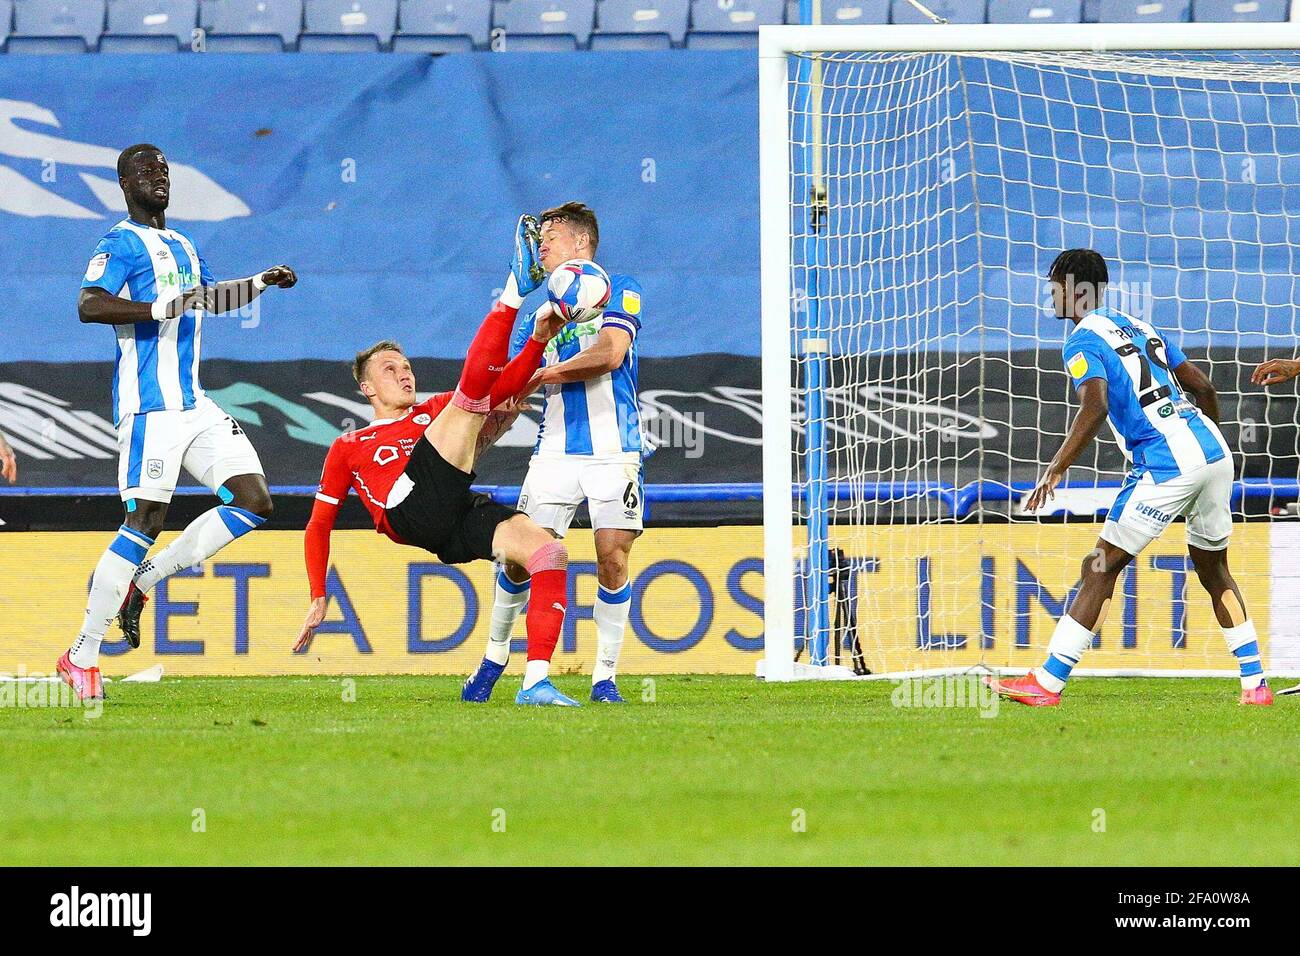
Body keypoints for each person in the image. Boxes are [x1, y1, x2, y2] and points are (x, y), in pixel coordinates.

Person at [297, 218, 583, 706]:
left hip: (449, 515)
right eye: (389, 370)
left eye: (406, 367)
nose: (403, 375)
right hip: (406, 509)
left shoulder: (434, 413)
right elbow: (318, 524)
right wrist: (318, 593)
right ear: (366, 388)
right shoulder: (352, 445)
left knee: (548, 553)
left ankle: (534, 682)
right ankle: (514, 289)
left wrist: (538, 341)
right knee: (469, 401)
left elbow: (501, 388)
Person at [57, 143, 296, 702]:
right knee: (144, 520)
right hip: (151, 406)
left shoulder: (183, 242)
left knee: (255, 500)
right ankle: (81, 653)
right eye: (145, 169)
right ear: (123, 182)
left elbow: (207, 300)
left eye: (163, 168)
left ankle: (145, 582)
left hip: (194, 402)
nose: (157, 176)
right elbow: (89, 304)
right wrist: (153, 310)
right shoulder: (118, 242)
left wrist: (261, 282)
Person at [989, 248, 1271, 707]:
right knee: (1214, 567)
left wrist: (1056, 467)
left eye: (1054, 284)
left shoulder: (1082, 340)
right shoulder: (1139, 325)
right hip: (1213, 449)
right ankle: (1255, 684)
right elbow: (1202, 386)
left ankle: (1047, 682)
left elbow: (1095, 405)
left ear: (1074, 287)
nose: (1050, 293)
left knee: (1099, 565)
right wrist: (1213, 449)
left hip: (1165, 461)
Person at [464, 203, 645, 704]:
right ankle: (494, 657)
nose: (540, 247)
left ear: (581, 243)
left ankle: (604, 678)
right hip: (555, 454)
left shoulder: (619, 288)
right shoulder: (539, 314)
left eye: (551, 238)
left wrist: (545, 373)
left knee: (611, 558)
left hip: (616, 449)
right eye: (539, 239)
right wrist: (473, 439)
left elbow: (611, 354)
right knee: (522, 561)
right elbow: (510, 389)